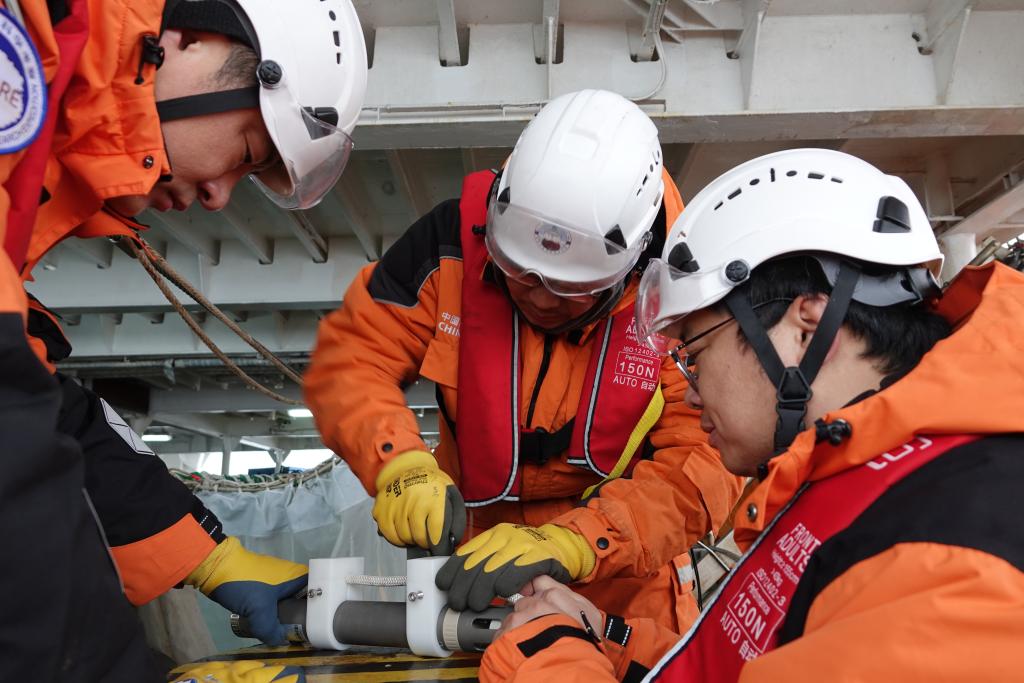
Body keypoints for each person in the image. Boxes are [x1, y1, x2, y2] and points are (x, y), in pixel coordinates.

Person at [477, 148, 1024, 682]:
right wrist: (608, 640)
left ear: (807, 328)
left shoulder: (954, 548)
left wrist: (545, 660)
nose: (691, 396)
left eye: (696, 355)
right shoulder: (874, 485)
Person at [0, 0, 366, 680]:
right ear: (188, 41)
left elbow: (50, 409)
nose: (222, 197)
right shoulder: (24, 38)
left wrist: (209, 557)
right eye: (247, 151)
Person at [305, 88, 742, 629]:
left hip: (624, 575)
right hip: (472, 572)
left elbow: (702, 465)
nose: (540, 298)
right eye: (517, 271)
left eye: (568, 288)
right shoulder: (446, 245)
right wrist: (396, 461)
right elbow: (353, 357)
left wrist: (579, 542)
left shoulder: (687, 296)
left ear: (630, 268)